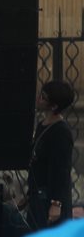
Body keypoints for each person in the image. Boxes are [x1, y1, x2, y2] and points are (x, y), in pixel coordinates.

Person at [26, 79, 76, 229]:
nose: (39, 98)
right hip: (38, 194)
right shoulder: (43, 125)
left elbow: (61, 170)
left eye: (43, 97)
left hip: (50, 198)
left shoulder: (61, 132)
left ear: (54, 106)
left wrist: (56, 203)